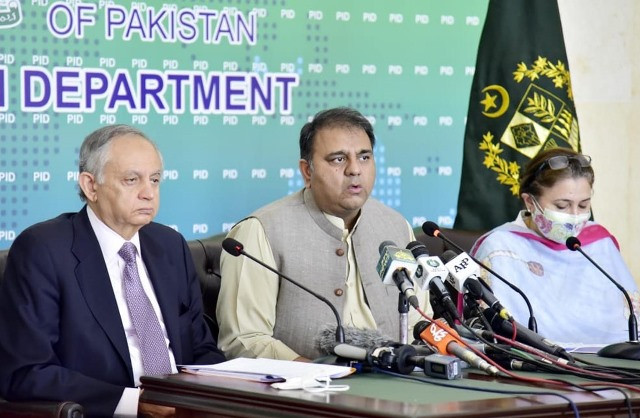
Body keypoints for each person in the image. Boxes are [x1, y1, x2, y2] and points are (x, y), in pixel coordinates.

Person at [0, 125, 225, 416]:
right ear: (90, 186)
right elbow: (25, 371)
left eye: (155, 180)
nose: (148, 193)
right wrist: (135, 403)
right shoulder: (43, 250)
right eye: (132, 180)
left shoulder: (170, 246)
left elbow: (201, 351)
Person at [217, 107, 429, 361]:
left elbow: (420, 323)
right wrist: (312, 372)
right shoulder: (260, 231)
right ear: (308, 171)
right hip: (306, 392)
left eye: (364, 157)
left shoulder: (396, 226)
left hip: (396, 383)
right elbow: (243, 339)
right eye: (338, 159)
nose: (354, 170)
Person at [471, 147, 640, 345]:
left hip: (610, 366)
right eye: (562, 206)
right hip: (531, 365)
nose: (575, 215)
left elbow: (630, 317)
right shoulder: (499, 249)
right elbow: (485, 329)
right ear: (530, 202)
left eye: (584, 205)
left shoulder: (600, 242)